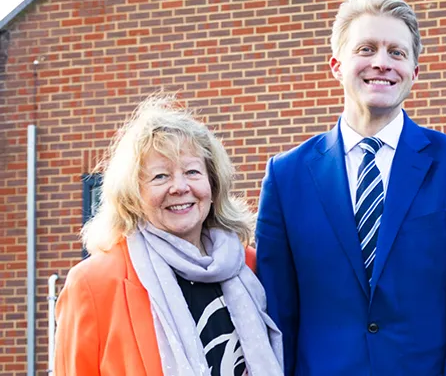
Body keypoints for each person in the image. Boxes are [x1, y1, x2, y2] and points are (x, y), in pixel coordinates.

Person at [256, 0, 446, 376]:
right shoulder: (287, 176)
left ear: (414, 72)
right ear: (337, 65)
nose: (382, 63)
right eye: (366, 49)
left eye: (397, 52)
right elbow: (278, 311)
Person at [55, 95, 283, 376]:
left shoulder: (249, 266)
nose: (179, 187)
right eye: (160, 176)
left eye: (192, 171)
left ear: (212, 185)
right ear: (133, 195)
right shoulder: (92, 284)